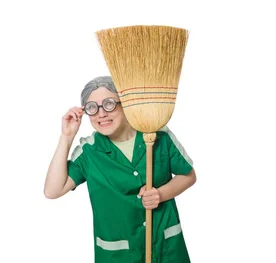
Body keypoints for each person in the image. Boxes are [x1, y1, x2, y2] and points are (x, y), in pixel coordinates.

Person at [44, 76, 197, 263]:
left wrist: (161, 194)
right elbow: (53, 190)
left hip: (166, 249)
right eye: (92, 107)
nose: (101, 114)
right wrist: (66, 136)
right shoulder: (89, 151)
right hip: (118, 255)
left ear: (125, 103)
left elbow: (188, 175)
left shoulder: (157, 135)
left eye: (109, 104)